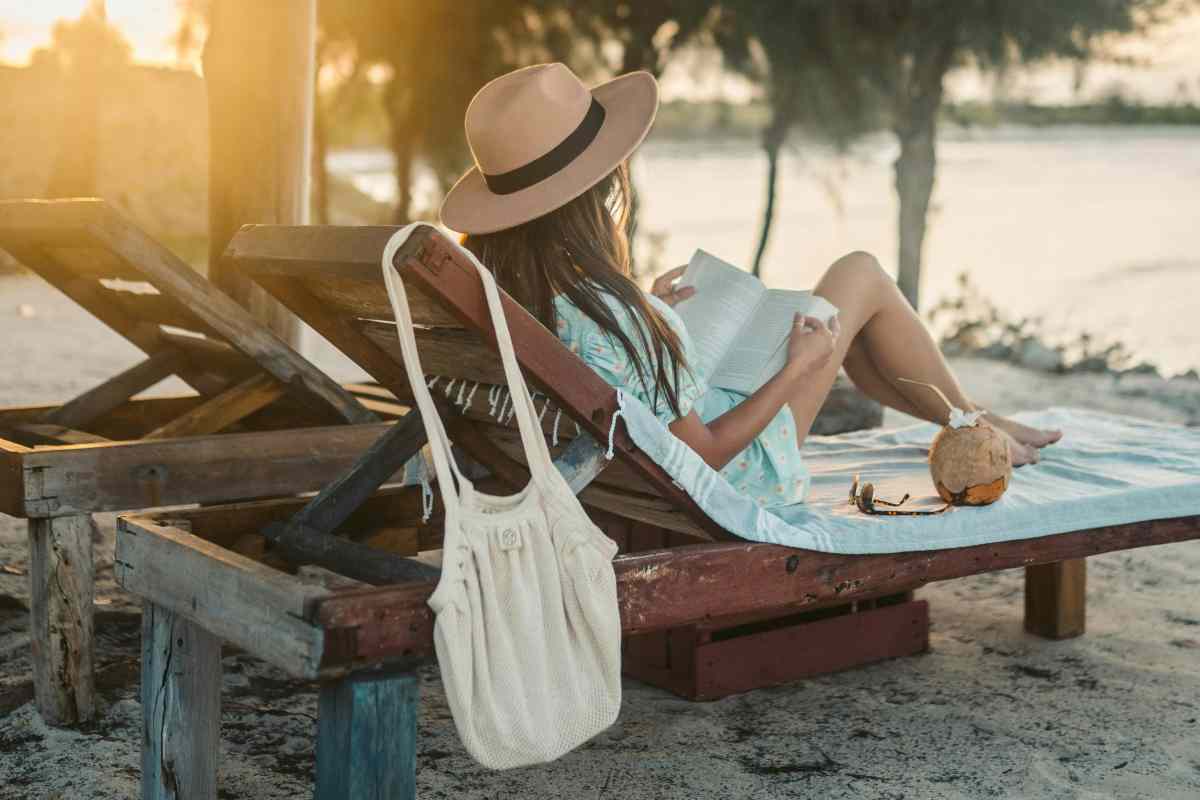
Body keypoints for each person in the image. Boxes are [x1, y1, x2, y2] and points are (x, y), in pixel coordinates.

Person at [441, 63, 1060, 508]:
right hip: (730, 478)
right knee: (859, 277)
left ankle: (969, 417)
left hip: (607, 482)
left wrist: (650, 313)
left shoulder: (506, 295)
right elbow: (702, 456)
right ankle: (971, 420)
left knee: (849, 320)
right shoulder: (611, 315)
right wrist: (798, 369)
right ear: (593, 197)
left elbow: (605, 373)